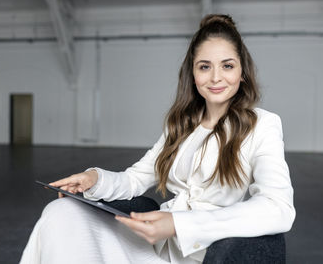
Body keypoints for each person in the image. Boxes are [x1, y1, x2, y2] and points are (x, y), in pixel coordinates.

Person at [20, 14, 295, 264]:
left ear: (242, 73)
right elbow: (135, 179)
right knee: (63, 212)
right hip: (154, 250)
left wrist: (179, 224)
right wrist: (94, 179)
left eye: (227, 65)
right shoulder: (181, 125)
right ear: (193, 74)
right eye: (204, 67)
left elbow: (278, 208)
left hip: (209, 252)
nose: (215, 77)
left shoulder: (262, 125)